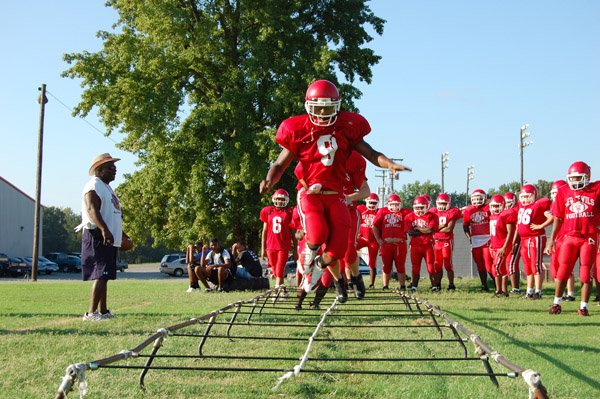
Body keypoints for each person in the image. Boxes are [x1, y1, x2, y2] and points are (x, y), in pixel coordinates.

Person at [259, 79, 410, 303]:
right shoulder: (298, 129)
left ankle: (316, 269)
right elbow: (280, 164)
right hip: (311, 195)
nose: (322, 112)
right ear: (309, 106)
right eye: (318, 107)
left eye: (328, 108)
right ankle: (307, 261)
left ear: (337, 106)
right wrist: (270, 179)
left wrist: (388, 164)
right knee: (317, 234)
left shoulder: (347, 127)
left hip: (337, 197)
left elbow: (370, 152)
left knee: (339, 250)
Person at [77, 153, 127, 321]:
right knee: (101, 273)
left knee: (105, 275)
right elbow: (92, 209)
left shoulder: (106, 187)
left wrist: (120, 233)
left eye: (114, 166)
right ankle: (91, 313)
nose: (115, 169)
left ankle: (103, 310)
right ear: (99, 169)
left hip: (108, 236)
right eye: (110, 167)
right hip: (97, 235)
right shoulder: (93, 185)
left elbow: (113, 214)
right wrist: (104, 230)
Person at [547, 161, 600, 316]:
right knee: (562, 272)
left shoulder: (596, 189)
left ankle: (583, 306)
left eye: (579, 178)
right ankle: (556, 303)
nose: (575, 181)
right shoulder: (563, 191)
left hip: (588, 236)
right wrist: (552, 240)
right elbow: (557, 218)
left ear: (587, 176)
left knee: (585, 273)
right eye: (573, 178)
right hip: (569, 236)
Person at [515, 183, 551, 299]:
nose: (525, 199)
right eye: (523, 196)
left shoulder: (538, 205)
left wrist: (541, 226)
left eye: (528, 196)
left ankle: (538, 291)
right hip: (524, 238)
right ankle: (529, 291)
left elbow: (551, 217)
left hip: (535, 237)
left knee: (536, 265)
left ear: (534, 195)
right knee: (527, 266)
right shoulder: (521, 206)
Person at [260, 189, 296, 291]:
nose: (280, 201)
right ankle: (282, 289)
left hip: (284, 246)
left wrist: (295, 250)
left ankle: (276, 291)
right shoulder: (267, 211)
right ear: (274, 199)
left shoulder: (289, 212)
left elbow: (293, 233)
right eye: (279, 199)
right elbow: (265, 231)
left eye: (282, 199)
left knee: (280, 270)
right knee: (275, 270)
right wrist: (263, 248)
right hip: (270, 246)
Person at [372, 194, 410, 290]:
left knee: (400, 266)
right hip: (386, 244)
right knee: (386, 266)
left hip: (399, 244)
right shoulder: (382, 211)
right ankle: (385, 286)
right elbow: (375, 226)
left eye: (397, 204)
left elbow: (414, 221)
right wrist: (379, 240)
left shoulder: (405, 212)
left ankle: (402, 285)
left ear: (400, 204)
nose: (395, 206)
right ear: (388, 204)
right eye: (392, 204)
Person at [405, 195, 439, 291]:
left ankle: (434, 286)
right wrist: (423, 230)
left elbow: (430, 230)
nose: (419, 209)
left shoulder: (432, 216)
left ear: (427, 206)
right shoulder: (409, 216)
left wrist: (418, 229)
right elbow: (410, 232)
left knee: (431, 266)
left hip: (428, 245)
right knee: (415, 266)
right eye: (417, 207)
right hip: (415, 245)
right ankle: (414, 286)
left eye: (421, 207)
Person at [463, 189, 493, 291]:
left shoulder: (489, 208)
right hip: (475, 240)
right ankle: (484, 285)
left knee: (489, 265)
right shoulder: (468, 210)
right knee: (479, 264)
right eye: (475, 198)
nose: (477, 200)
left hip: (487, 238)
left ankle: (498, 285)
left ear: (485, 198)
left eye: (480, 198)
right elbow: (465, 226)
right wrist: (469, 237)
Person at [430, 193, 462, 291]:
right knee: (437, 264)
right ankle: (438, 284)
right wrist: (441, 227)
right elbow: (431, 227)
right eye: (440, 203)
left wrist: (435, 229)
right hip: (436, 241)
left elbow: (449, 229)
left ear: (448, 204)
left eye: (444, 203)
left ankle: (451, 284)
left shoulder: (452, 212)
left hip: (446, 241)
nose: (442, 206)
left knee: (448, 264)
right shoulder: (433, 212)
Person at [488, 194, 516, 297]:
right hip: (495, 246)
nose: (495, 208)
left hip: (502, 246)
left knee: (496, 267)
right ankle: (504, 291)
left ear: (503, 205)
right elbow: (494, 233)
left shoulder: (505, 215)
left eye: (497, 206)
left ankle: (499, 290)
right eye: (493, 206)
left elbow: (510, 232)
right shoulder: (492, 217)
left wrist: (504, 247)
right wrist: (491, 244)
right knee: (501, 269)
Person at [357, 193, 381, 287]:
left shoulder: (379, 212)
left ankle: (371, 284)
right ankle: (349, 279)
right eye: (370, 202)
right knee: (349, 252)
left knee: (372, 262)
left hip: (374, 240)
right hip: (362, 238)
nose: (372, 204)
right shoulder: (361, 209)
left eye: (374, 203)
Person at [504, 192, 522, 293]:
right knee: (510, 263)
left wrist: (513, 241)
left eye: (509, 202)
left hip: (516, 240)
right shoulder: (507, 211)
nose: (507, 205)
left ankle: (515, 288)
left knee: (511, 263)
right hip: (509, 240)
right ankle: (515, 287)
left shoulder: (516, 211)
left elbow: (517, 228)